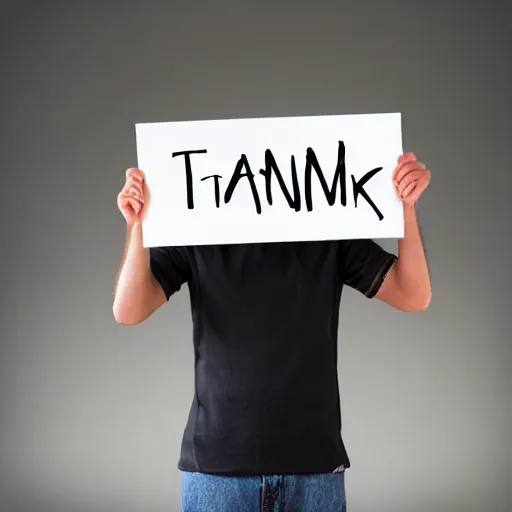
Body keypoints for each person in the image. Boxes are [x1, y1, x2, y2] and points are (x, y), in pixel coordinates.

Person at [113, 152, 432, 512]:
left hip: (314, 473)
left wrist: (405, 208)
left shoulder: (330, 228)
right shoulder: (197, 228)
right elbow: (129, 310)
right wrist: (138, 225)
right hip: (218, 473)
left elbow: (413, 294)